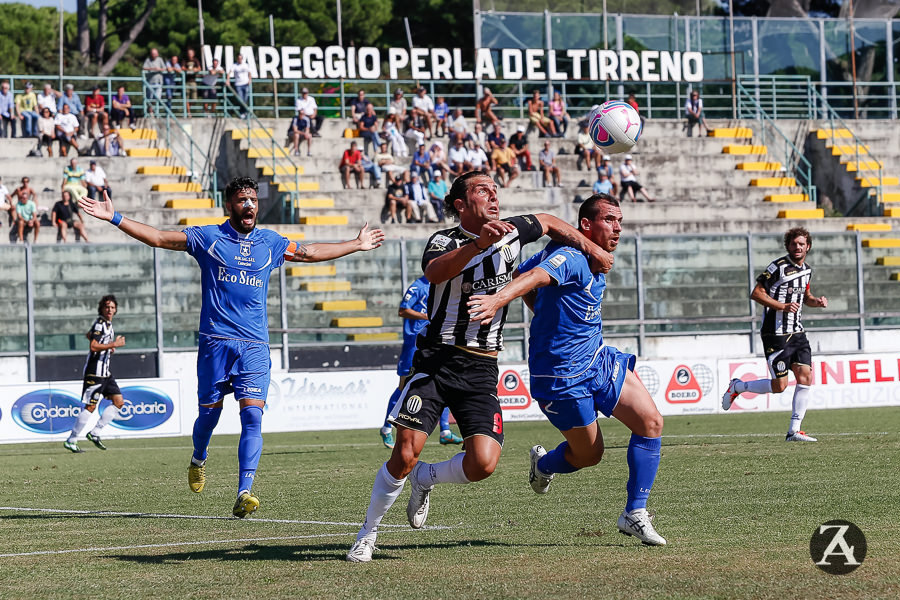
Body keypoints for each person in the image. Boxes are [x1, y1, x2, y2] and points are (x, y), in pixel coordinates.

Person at [345, 171, 614, 562]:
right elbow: (434, 273)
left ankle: (428, 477)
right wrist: (477, 247)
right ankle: (367, 534)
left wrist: (592, 248)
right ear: (460, 204)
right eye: (482, 190)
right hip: (437, 362)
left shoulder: (511, 231)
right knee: (404, 453)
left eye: (495, 189)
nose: (493, 196)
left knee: (484, 463)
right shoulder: (443, 240)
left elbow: (551, 222)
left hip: (481, 368)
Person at [77, 177, 385, 518]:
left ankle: (244, 491)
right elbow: (160, 238)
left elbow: (310, 252)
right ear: (229, 205)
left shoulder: (270, 243)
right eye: (242, 200)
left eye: (253, 199)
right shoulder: (209, 238)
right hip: (215, 344)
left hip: (254, 346)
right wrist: (115, 217)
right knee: (209, 416)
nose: (250, 205)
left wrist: (356, 244)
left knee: (252, 415)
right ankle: (198, 457)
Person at [465, 193, 667, 546]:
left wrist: (542, 310)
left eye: (619, 221)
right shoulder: (572, 256)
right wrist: (499, 299)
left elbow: (525, 271)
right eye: (609, 220)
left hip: (597, 359)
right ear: (586, 225)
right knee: (590, 455)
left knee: (651, 423)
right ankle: (543, 466)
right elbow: (535, 278)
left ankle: (634, 513)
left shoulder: (593, 256)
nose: (617, 228)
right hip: (561, 375)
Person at [722, 227, 828, 442]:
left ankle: (794, 431)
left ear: (808, 246)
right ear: (788, 246)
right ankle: (738, 386)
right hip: (775, 333)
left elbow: (804, 296)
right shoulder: (777, 267)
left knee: (805, 377)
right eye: (793, 244)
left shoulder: (807, 270)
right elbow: (756, 293)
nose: (797, 247)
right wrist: (781, 306)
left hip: (797, 331)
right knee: (779, 386)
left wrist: (815, 302)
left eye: (801, 244)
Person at [380, 275, 463, 449]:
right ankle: (387, 428)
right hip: (414, 344)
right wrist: (427, 316)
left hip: (434, 342)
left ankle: (445, 431)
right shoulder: (418, 287)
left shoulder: (441, 285)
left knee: (444, 382)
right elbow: (403, 310)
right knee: (403, 387)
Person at [63, 295, 127, 453]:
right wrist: (114, 344)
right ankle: (72, 439)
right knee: (91, 406)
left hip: (106, 372)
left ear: (116, 309)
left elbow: (89, 336)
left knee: (119, 401)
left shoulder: (108, 325)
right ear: (102, 309)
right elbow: (93, 346)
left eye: (112, 307)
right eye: (107, 307)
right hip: (95, 372)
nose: (110, 310)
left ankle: (95, 432)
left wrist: (108, 347)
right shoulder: (100, 324)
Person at [143, 48, 167, 113]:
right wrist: (152, 69)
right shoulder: (148, 60)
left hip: (158, 82)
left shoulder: (160, 59)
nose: (154, 55)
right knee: (150, 98)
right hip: (150, 82)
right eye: (153, 53)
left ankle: (153, 111)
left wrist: (159, 69)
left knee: (157, 97)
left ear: (157, 54)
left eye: (155, 53)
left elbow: (164, 68)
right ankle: (151, 112)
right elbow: (144, 68)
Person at [228, 53, 252, 118]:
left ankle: (244, 113)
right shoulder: (234, 65)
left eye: (241, 58)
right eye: (239, 58)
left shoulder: (246, 65)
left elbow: (249, 73)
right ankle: (243, 112)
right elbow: (229, 73)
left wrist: (250, 80)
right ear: (237, 59)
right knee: (241, 99)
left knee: (245, 99)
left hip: (245, 84)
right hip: (238, 84)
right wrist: (228, 80)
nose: (240, 60)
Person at [183, 48, 202, 114]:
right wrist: (187, 69)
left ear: (193, 54)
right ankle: (188, 112)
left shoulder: (195, 60)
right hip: (186, 81)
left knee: (194, 99)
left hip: (193, 81)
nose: (190, 54)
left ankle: (188, 108)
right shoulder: (185, 60)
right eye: (189, 53)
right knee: (186, 98)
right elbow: (182, 67)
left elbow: (199, 68)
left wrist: (196, 69)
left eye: (191, 53)